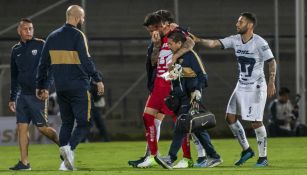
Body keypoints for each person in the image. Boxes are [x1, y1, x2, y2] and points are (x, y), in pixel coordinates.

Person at [190, 12, 277, 167]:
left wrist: (271, 81)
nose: (237, 24)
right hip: (241, 85)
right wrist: (197, 40)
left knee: (255, 122)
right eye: (238, 21)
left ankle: (263, 158)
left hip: (256, 87)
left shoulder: (259, 42)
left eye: (241, 22)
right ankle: (247, 150)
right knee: (230, 117)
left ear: (249, 25)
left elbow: (271, 61)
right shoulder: (235, 40)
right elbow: (215, 43)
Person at [36, 5, 104, 171]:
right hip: (79, 86)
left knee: (67, 123)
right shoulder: (78, 35)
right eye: (82, 17)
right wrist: (97, 79)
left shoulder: (52, 36)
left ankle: (64, 162)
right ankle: (69, 149)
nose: (83, 20)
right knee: (85, 123)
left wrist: (41, 85)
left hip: (61, 88)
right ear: (76, 17)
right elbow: (86, 61)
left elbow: (43, 64)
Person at [128, 11, 196, 169]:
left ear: (162, 25)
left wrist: (175, 56)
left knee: (179, 122)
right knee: (147, 117)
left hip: (171, 84)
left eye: (153, 29)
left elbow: (191, 42)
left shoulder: (176, 33)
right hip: (158, 84)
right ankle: (153, 156)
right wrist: (157, 45)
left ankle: (187, 158)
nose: (152, 33)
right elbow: (154, 62)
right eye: (150, 31)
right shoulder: (158, 40)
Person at [154, 31, 222, 169]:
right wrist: (168, 76)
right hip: (182, 97)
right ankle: (214, 156)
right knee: (196, 128)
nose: (170, 46)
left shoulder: (191, 56)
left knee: (181, 124)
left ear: (179, 44)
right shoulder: (176, 58)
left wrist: (197, 91)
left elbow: (203, 76)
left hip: (191, 97)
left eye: (171, 44)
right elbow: (179, 75)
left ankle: (170, 158)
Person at [8, 18, 60, 170]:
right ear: (19, 31)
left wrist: (45, 87)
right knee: (22, 128)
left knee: (42, 128)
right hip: (22, 96)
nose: (29, 31)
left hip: (37, 95)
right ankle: (24, 163)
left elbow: (51, 68)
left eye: (31, 28)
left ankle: (64, 146)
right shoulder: (15, 50)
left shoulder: (41, 44)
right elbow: (14, 76)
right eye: (25, 29)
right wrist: (12, 97)